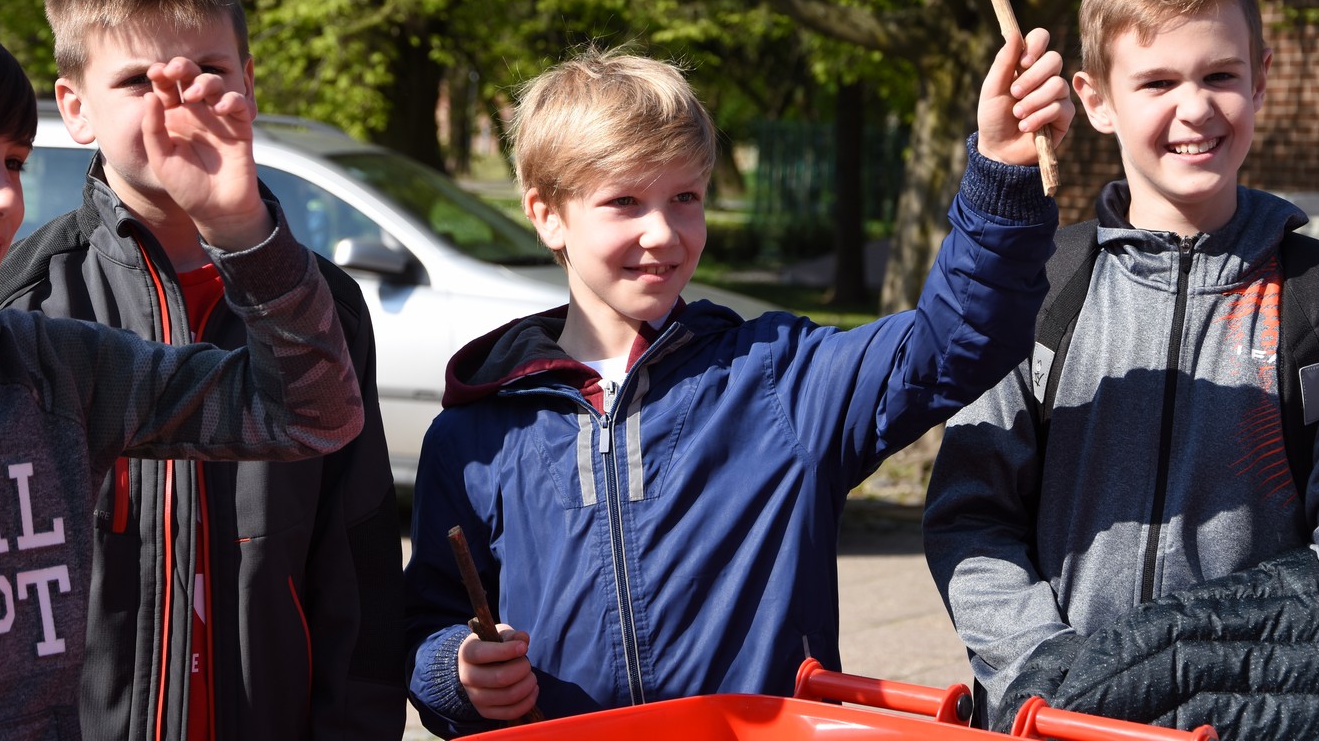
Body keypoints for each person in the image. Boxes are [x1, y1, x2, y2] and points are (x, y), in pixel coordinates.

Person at [402, 35, 1073, 733]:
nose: (663, 232)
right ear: (547, 215)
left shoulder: (779, 379)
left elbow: (955, 342)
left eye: (685, 197)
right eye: (625, 201)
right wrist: (458, 672)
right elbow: (429, 625)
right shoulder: (474, 436)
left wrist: (1002, 174)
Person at [0, 2, 362, 738]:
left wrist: (241, 226)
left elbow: (315, 413)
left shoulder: (57, 368)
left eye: (15, 162)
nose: (2, 198)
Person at [923, 0, 1319, 738]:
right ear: (1095, 99)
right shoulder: (1038, 291)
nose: (1194, 108)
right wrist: (1042, 671)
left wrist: (1232, 672)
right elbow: (972, 516)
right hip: (1056, 721)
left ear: (1261, 81)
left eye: (1220, 75)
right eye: (1157, 81)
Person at [0, 0, 406, 741]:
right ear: (75, 109)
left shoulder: (321, 304)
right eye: (140, 79)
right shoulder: (22, 302)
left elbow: (356, 562)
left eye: (207, 71)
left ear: (248, 84)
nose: (176, 102)